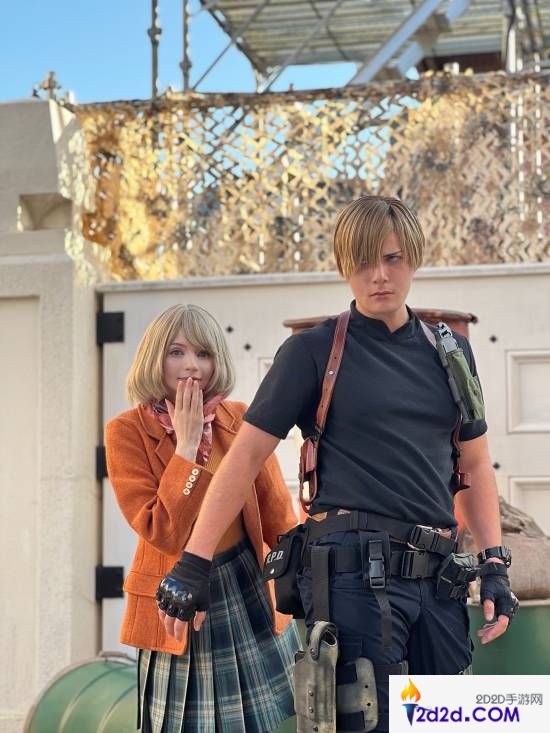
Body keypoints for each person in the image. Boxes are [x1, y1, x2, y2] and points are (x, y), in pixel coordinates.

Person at [155, 197, 518, 733]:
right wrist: (194, 562)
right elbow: (244, 458)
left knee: (451, 723)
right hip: (354, 582)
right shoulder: (313, 352)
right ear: (344, 266)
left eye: (392, 259)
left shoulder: (451, 353)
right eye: (363, 262)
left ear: (414, 259)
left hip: (438, 582)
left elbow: (475, 464)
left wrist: (493, 564)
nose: (379, 276)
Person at [105, 304, 301, 733]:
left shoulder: (239, 418)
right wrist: (186, 448)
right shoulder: (126, 431)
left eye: (204, 353)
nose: (192, 365)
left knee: (276, 721)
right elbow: (161, 530)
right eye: (176, 352)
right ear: (154, 358)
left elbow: (278, 517)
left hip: (247, 584)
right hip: (177, 597)